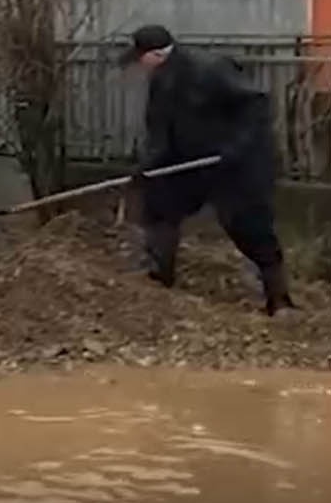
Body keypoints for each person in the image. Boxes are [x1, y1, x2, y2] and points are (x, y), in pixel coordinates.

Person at [123, 24, 296, 316]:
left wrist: (235, 148)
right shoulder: (160, 82)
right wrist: (149, 167)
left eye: (140, 58)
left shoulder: (208, 70)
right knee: (161, 202)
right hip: (192, 161)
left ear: (154, 55)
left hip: (237, 163)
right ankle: (159, 279)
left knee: (247, 224)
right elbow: (160, 132)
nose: (139, 66)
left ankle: (279, 299)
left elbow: (256, 104)